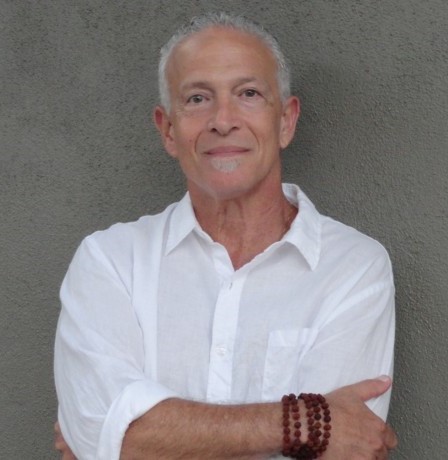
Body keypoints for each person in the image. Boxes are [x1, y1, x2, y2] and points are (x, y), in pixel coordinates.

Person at [54, 12, 397, 460]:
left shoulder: (353, 269)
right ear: (168, 130)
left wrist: (137, 437)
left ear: (286, 121)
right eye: (197, 98)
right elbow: (104, 429)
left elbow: (346, 448)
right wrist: (302, 422)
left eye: (248, 94)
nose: (222, 120)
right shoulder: (111, 261)